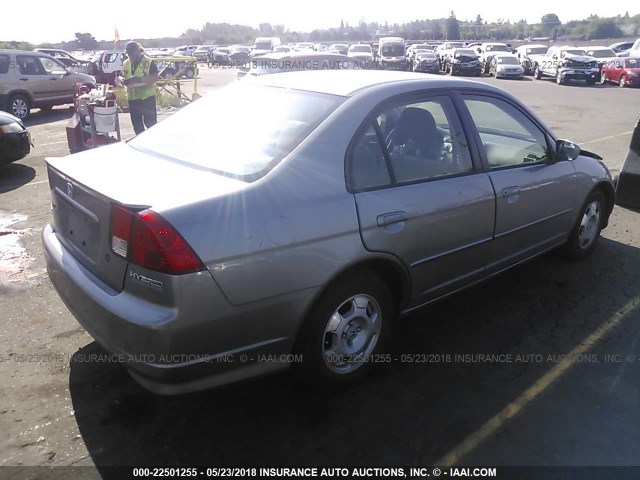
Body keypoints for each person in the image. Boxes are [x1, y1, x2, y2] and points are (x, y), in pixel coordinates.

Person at [120, 42, 159, 135]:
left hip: (147, 99)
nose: (130, 56)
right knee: (137, 126)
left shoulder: (148, 61)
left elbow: (155, 77)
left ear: (137, 51)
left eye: (132, 54)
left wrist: (140, 79)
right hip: (133, 99)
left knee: (151, 124)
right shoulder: (126, 63)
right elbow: (122, 75)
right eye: (129, 54)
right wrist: (121, 80)